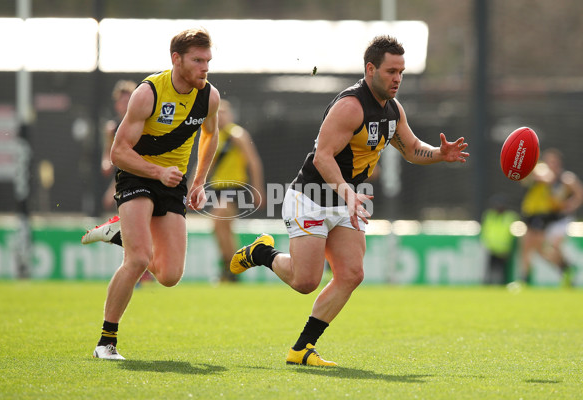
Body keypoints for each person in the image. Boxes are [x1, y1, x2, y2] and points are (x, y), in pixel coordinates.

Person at [229, 35, 469, 367]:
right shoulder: (350, 106)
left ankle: (301, 349)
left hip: (347, 199)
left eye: (401, 71)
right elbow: (322, 159)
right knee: (305, 282)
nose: (397, 78)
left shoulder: (393, 110)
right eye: (391, 71)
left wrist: (440, 154)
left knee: (352, 274)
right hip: (311, 197)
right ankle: (262, 253)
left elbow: (412, 148)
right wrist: (347, 193)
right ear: (370, 69)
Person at [82, 28, 220, 360]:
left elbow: (210, 136)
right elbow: (118, 152)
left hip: (173, 184)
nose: (205, 68)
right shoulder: (147, 94)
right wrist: (157, 171)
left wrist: (199, 180)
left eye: (208, 61)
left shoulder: (209, 97)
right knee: (139, 258)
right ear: (177, 59)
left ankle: (118, 235)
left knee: (171, 276)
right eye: (198, 61)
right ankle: (106, 342)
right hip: (137, 174)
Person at [207, 99, 265, 282]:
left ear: (231, 115)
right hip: (217, 188)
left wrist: (257, 189)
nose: (220, 116)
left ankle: (231, 268)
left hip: (235, 187)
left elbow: (253, 162)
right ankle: (230, 268)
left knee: (219, 220)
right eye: (217, 113)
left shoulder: (237, 134)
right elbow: (206, 167)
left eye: (223, 112)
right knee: (221, 227)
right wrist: (195, 187)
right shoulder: (216, 136)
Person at [519, 148, 583, 286]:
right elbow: (528, 179)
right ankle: (565, 268)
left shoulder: (565, 178)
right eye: (548, 161)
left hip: (561, 219)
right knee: (539, 249)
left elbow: (579, 193)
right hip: (549, 218)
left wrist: (571, 205)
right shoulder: (540, 171)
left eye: (554, 161)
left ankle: (564, 268)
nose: (551, 164)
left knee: (553, 245)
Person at [101, 80, 137, 211]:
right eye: (122, 101)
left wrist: (114, 187)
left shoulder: (141, 126)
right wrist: (106, 163)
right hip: (122, 180)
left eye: (129, 100)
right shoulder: (111, 128)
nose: (125, 105)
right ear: (117, 104)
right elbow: (108, 154)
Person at [480, 194, 519, 284]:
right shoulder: (489, 216)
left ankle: (504, 285)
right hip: (491, 249)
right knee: (489, 271)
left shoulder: (510, 217)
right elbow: (486, 230)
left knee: (504, 272)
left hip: (505, 250)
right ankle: (487, 285)